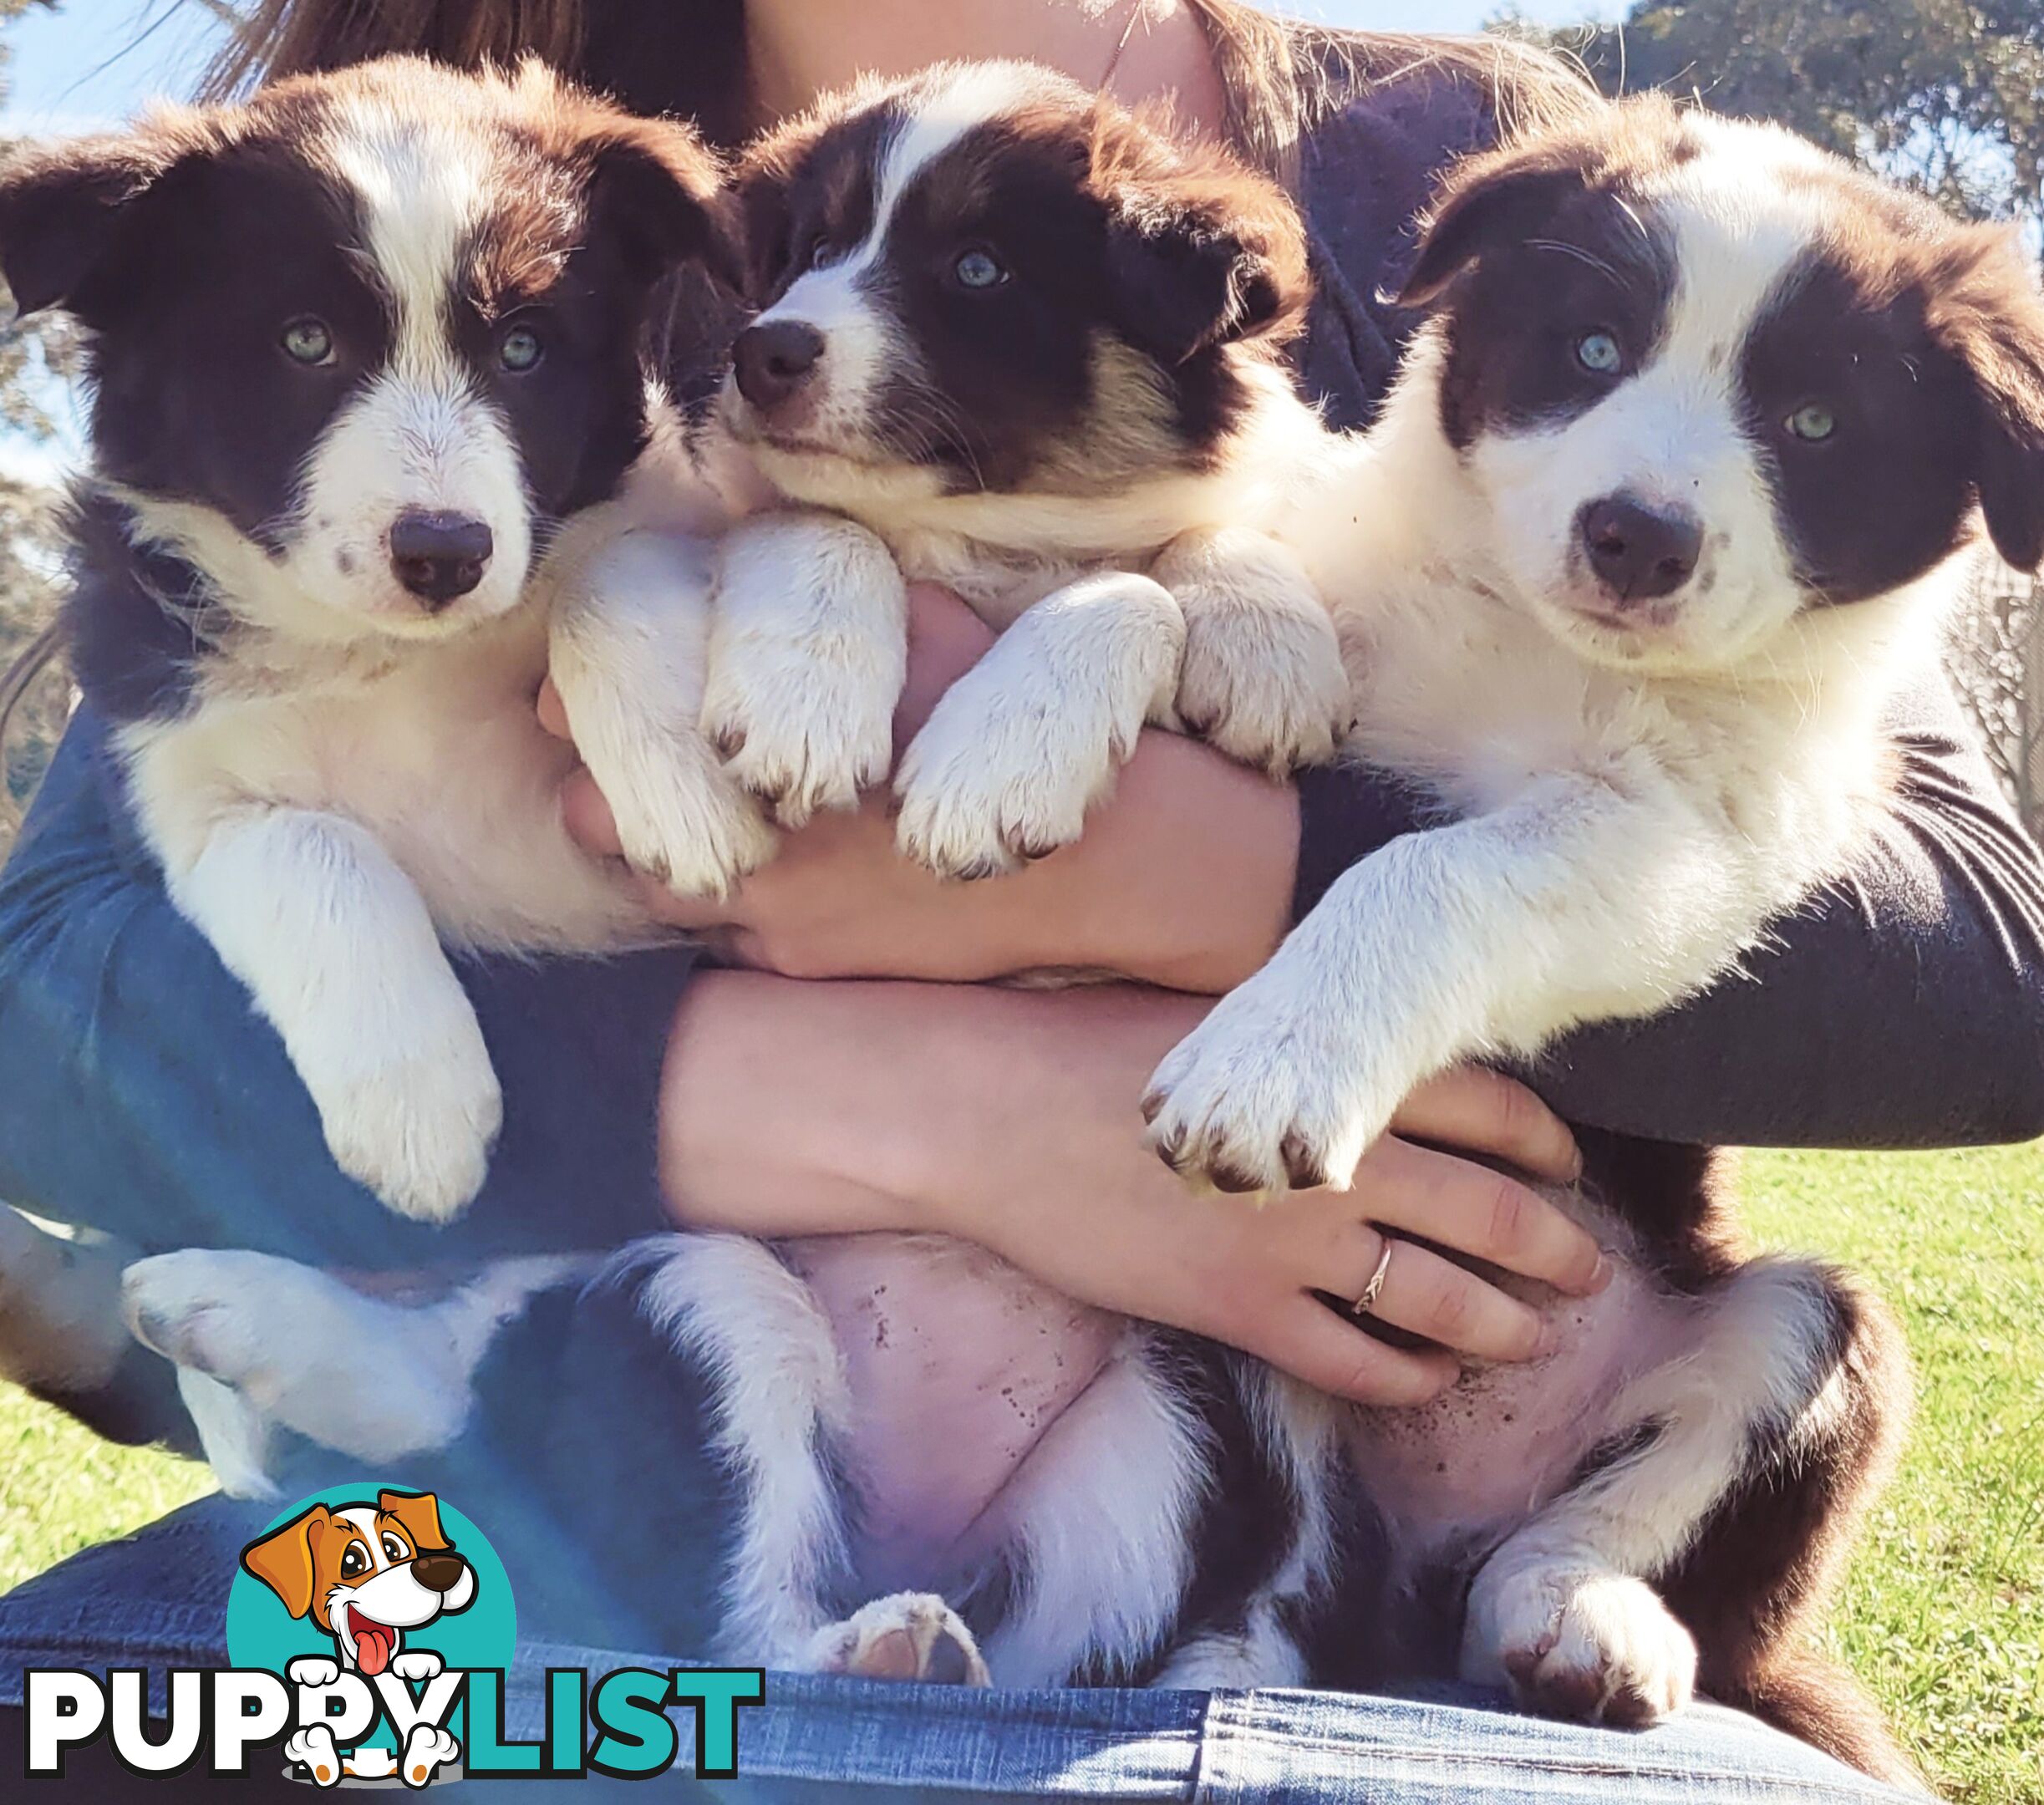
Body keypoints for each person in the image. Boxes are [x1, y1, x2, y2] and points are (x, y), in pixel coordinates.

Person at [0, 1, 2036, 1797]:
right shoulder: (493, 161)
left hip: (1304, 1618)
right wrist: (915, 1106)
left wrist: (1231, 882)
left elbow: (1986, 961)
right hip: (609, 1502)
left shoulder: (1472, 165)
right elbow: (53, 1001)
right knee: (113, 1724)